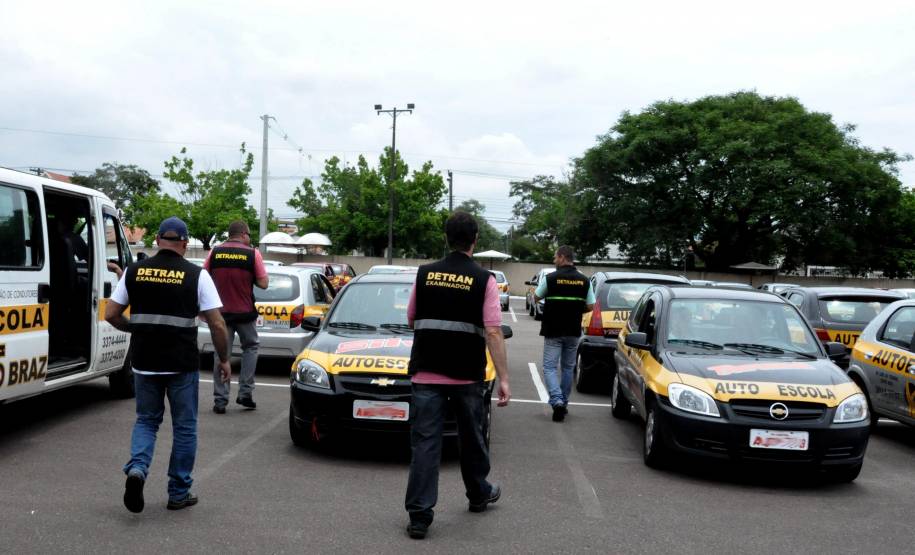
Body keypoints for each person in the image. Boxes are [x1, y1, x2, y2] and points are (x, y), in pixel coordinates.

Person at [105, 216, 232, 513]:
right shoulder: (196, 275)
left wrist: (134, 328)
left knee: (147, 421)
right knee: (185, 428)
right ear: (185, 244)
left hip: (145, 362)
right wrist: (224, 359)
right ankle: (178, 492)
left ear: (158, 240)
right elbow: (217, 323)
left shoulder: (134, 271)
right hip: (181, 364)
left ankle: (137, 470)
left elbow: (111, 313)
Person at [404, 211, 511, 540]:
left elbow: (411, 319)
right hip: (466, 376)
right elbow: (493, 332)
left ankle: (420, 517)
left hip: (426, 373)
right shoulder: (484, 280)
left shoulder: (423, 275)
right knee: (472, 438)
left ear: (445, 238)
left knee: (425, 444)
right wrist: (504, 378)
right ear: (475, 241)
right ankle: (478, 494)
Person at [204, 221, 269, 413]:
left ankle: (220, 400)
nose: (250, 238)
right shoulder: (252, 253)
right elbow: (264, 284)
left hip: (220, 314)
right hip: (245, 313)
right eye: (249, 235)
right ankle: (245, 393)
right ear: (243, 234)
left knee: (221, 353)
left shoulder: (214, 252)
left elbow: (204, 278)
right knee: (251, 347)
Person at [533, 246, 595, 422]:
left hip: (553, 330)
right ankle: (564, 402)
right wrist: (575, 309)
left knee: (550, 368)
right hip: (573, 331)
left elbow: (536, 297)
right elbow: (591, 306)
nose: (554, 261)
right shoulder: (584, 281)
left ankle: (557, 401)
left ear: (562, 257)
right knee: (568, 368)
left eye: (555, 257)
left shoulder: (550, 278)